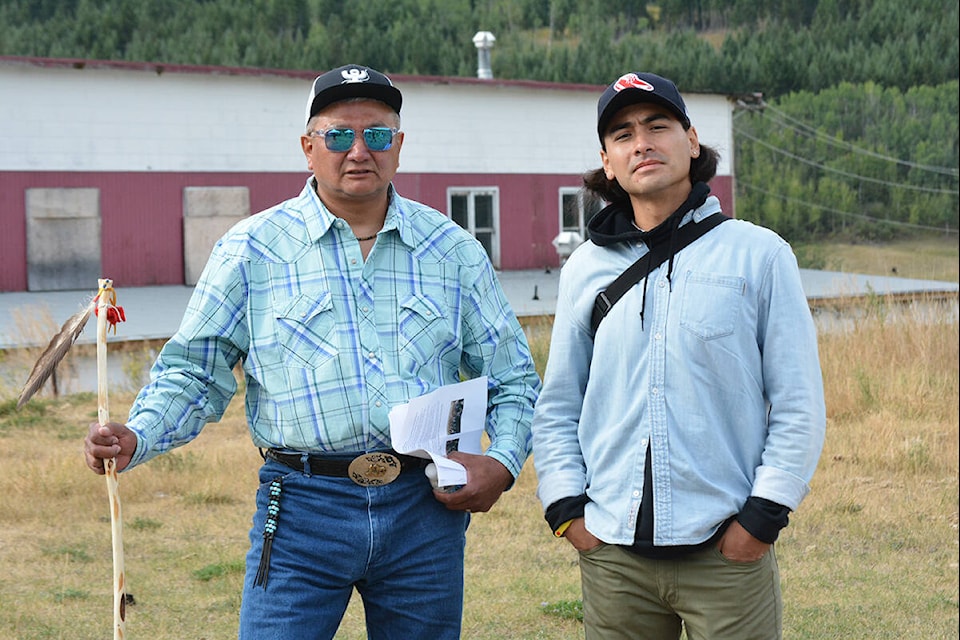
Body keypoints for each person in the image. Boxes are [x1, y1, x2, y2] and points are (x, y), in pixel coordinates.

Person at [84, 63, 541, 639]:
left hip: (423, 507)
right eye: (337, 135)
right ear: (308, 147)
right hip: (300, 509)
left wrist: (500, 463)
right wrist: (139, 434)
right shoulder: (251, 250)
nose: (358, 150)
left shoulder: (452, 249)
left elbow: (513, 378)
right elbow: (195, 373)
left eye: (376, 135)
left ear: (398, 146)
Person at [531, 71, 826, 639]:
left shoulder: (759, 256)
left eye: (657, 126)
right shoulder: (585, 270)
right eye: (622, 134)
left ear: (691, 141)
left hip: (725, 550)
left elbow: (798, 402)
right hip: (613, 554)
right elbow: (560, 403)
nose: (641, 142)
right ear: (608, 161)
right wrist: (568, 511)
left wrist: (762, 519)